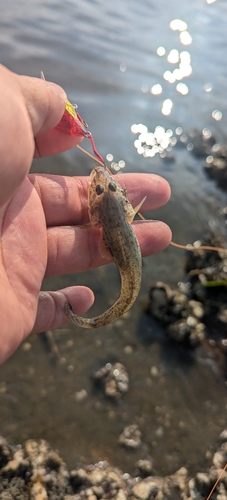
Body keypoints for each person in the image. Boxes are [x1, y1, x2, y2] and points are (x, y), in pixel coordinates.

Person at [0, 65, 171, 364]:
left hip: (119, 236)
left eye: (104, 190)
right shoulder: (112, 216)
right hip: (119, 232)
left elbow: (101, 218)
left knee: (128, 287)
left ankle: (91, 321)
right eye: (105, 189)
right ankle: (89, 321)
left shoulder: (99, 219)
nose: (100, 182)